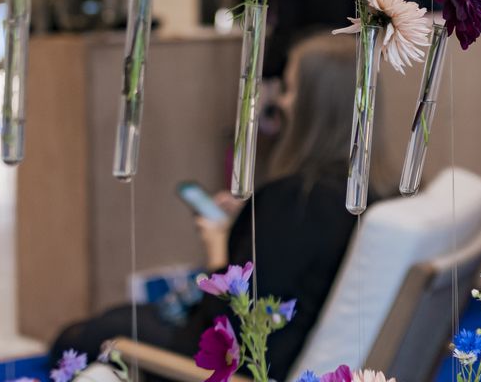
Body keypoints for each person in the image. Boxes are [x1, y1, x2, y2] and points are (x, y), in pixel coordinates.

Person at [50, 33, 391, 379]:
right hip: (282, 349)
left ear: (315, 106)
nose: (281, 102)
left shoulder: (296, 201)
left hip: (228, 361)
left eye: (289, 90)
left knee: (80, 338)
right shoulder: (367, 196)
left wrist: (216, 245)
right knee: (122, 317)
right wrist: (249, 225)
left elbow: (233, 329)